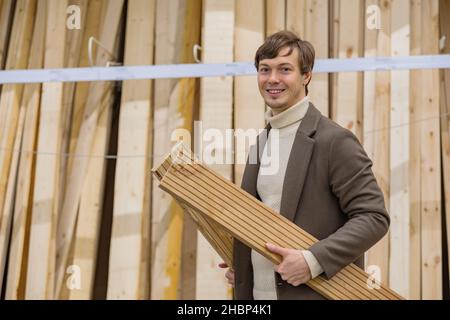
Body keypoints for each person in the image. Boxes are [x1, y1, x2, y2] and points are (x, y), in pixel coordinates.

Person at [219, 30, 390, 300]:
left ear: (306, 76)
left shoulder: (334, 141)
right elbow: (265, 218)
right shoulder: (261, 142)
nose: (272, 79)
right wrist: (246, 265)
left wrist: (312, 261)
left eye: (285, 69)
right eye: (265, 70)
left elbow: (374, 218)